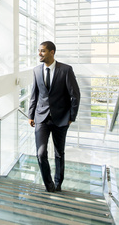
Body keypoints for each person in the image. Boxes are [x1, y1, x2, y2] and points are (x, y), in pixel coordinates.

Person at [28, 41, 80, 192]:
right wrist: (31, 115)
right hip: (41, 118)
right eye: (39, 51)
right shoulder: (36, 70)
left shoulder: (66, 70)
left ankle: (58, 183)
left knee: (59, 153)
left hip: (61, 118)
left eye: (43, 51)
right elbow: (34, 94)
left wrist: (71, 116)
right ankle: (48, 185)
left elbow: (75, 95)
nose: (39, 54)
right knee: (41, 153)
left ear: (52, 52)